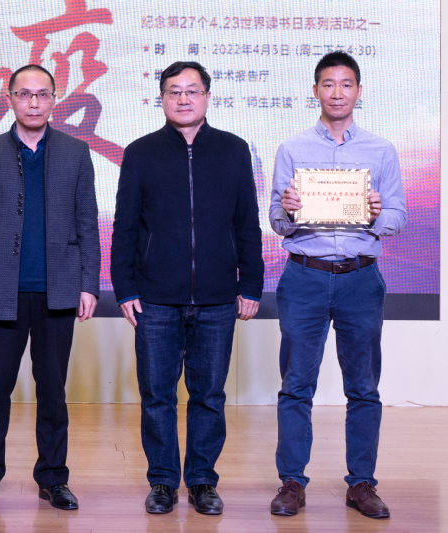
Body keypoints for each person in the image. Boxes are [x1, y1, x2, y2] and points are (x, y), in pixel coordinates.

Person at [110, 61, 264, 515]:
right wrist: (125, 288)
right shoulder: (140, 153)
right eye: (174, 91)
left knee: (209, 396)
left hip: (217, 297)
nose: (183, 98)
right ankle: (162, 481)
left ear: (207, 97)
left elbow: (247, 225)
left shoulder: (234, 150)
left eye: (192, 90)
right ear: (161, 99)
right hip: (155, 298)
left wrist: (251, 284)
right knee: (157, 396)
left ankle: (201, 481)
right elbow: (125, 227)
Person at [268, 51, 407, 519]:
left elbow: (398, 218)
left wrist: (377, 211)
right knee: (296, 384)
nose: (337, 93)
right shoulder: (292, 149)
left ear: (359, 92)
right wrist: (288, 209)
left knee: (363, 387)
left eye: (346, 84)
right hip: (304, 276)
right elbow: (276, 221)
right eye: (328, 84)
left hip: (360, 279)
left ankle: (362, 484)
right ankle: (292, 482)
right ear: (315, 91)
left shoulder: (381, 151)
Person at [0, 64, 100, 511]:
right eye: (24, 94)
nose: (33, 102)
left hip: (59, 290)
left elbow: (88, 225)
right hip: (3, 290)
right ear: (10, 99)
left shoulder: (76, 153)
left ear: (54, 100)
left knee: (53, 391)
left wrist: (89, 283)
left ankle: (53, 478)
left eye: (42, 94)